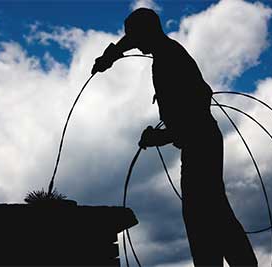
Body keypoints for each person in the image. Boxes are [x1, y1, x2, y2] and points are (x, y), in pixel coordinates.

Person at [92, 8, 258, 267]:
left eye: (135, 38)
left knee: (202, 213)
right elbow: (131, 41)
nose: (134, 46)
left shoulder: (169, 59)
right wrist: (109, 56)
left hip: (200, 143)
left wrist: (157, 138)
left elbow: (194, 118)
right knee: (212, 209)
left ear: (147, 32)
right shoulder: (166, 51)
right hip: (201, 143)